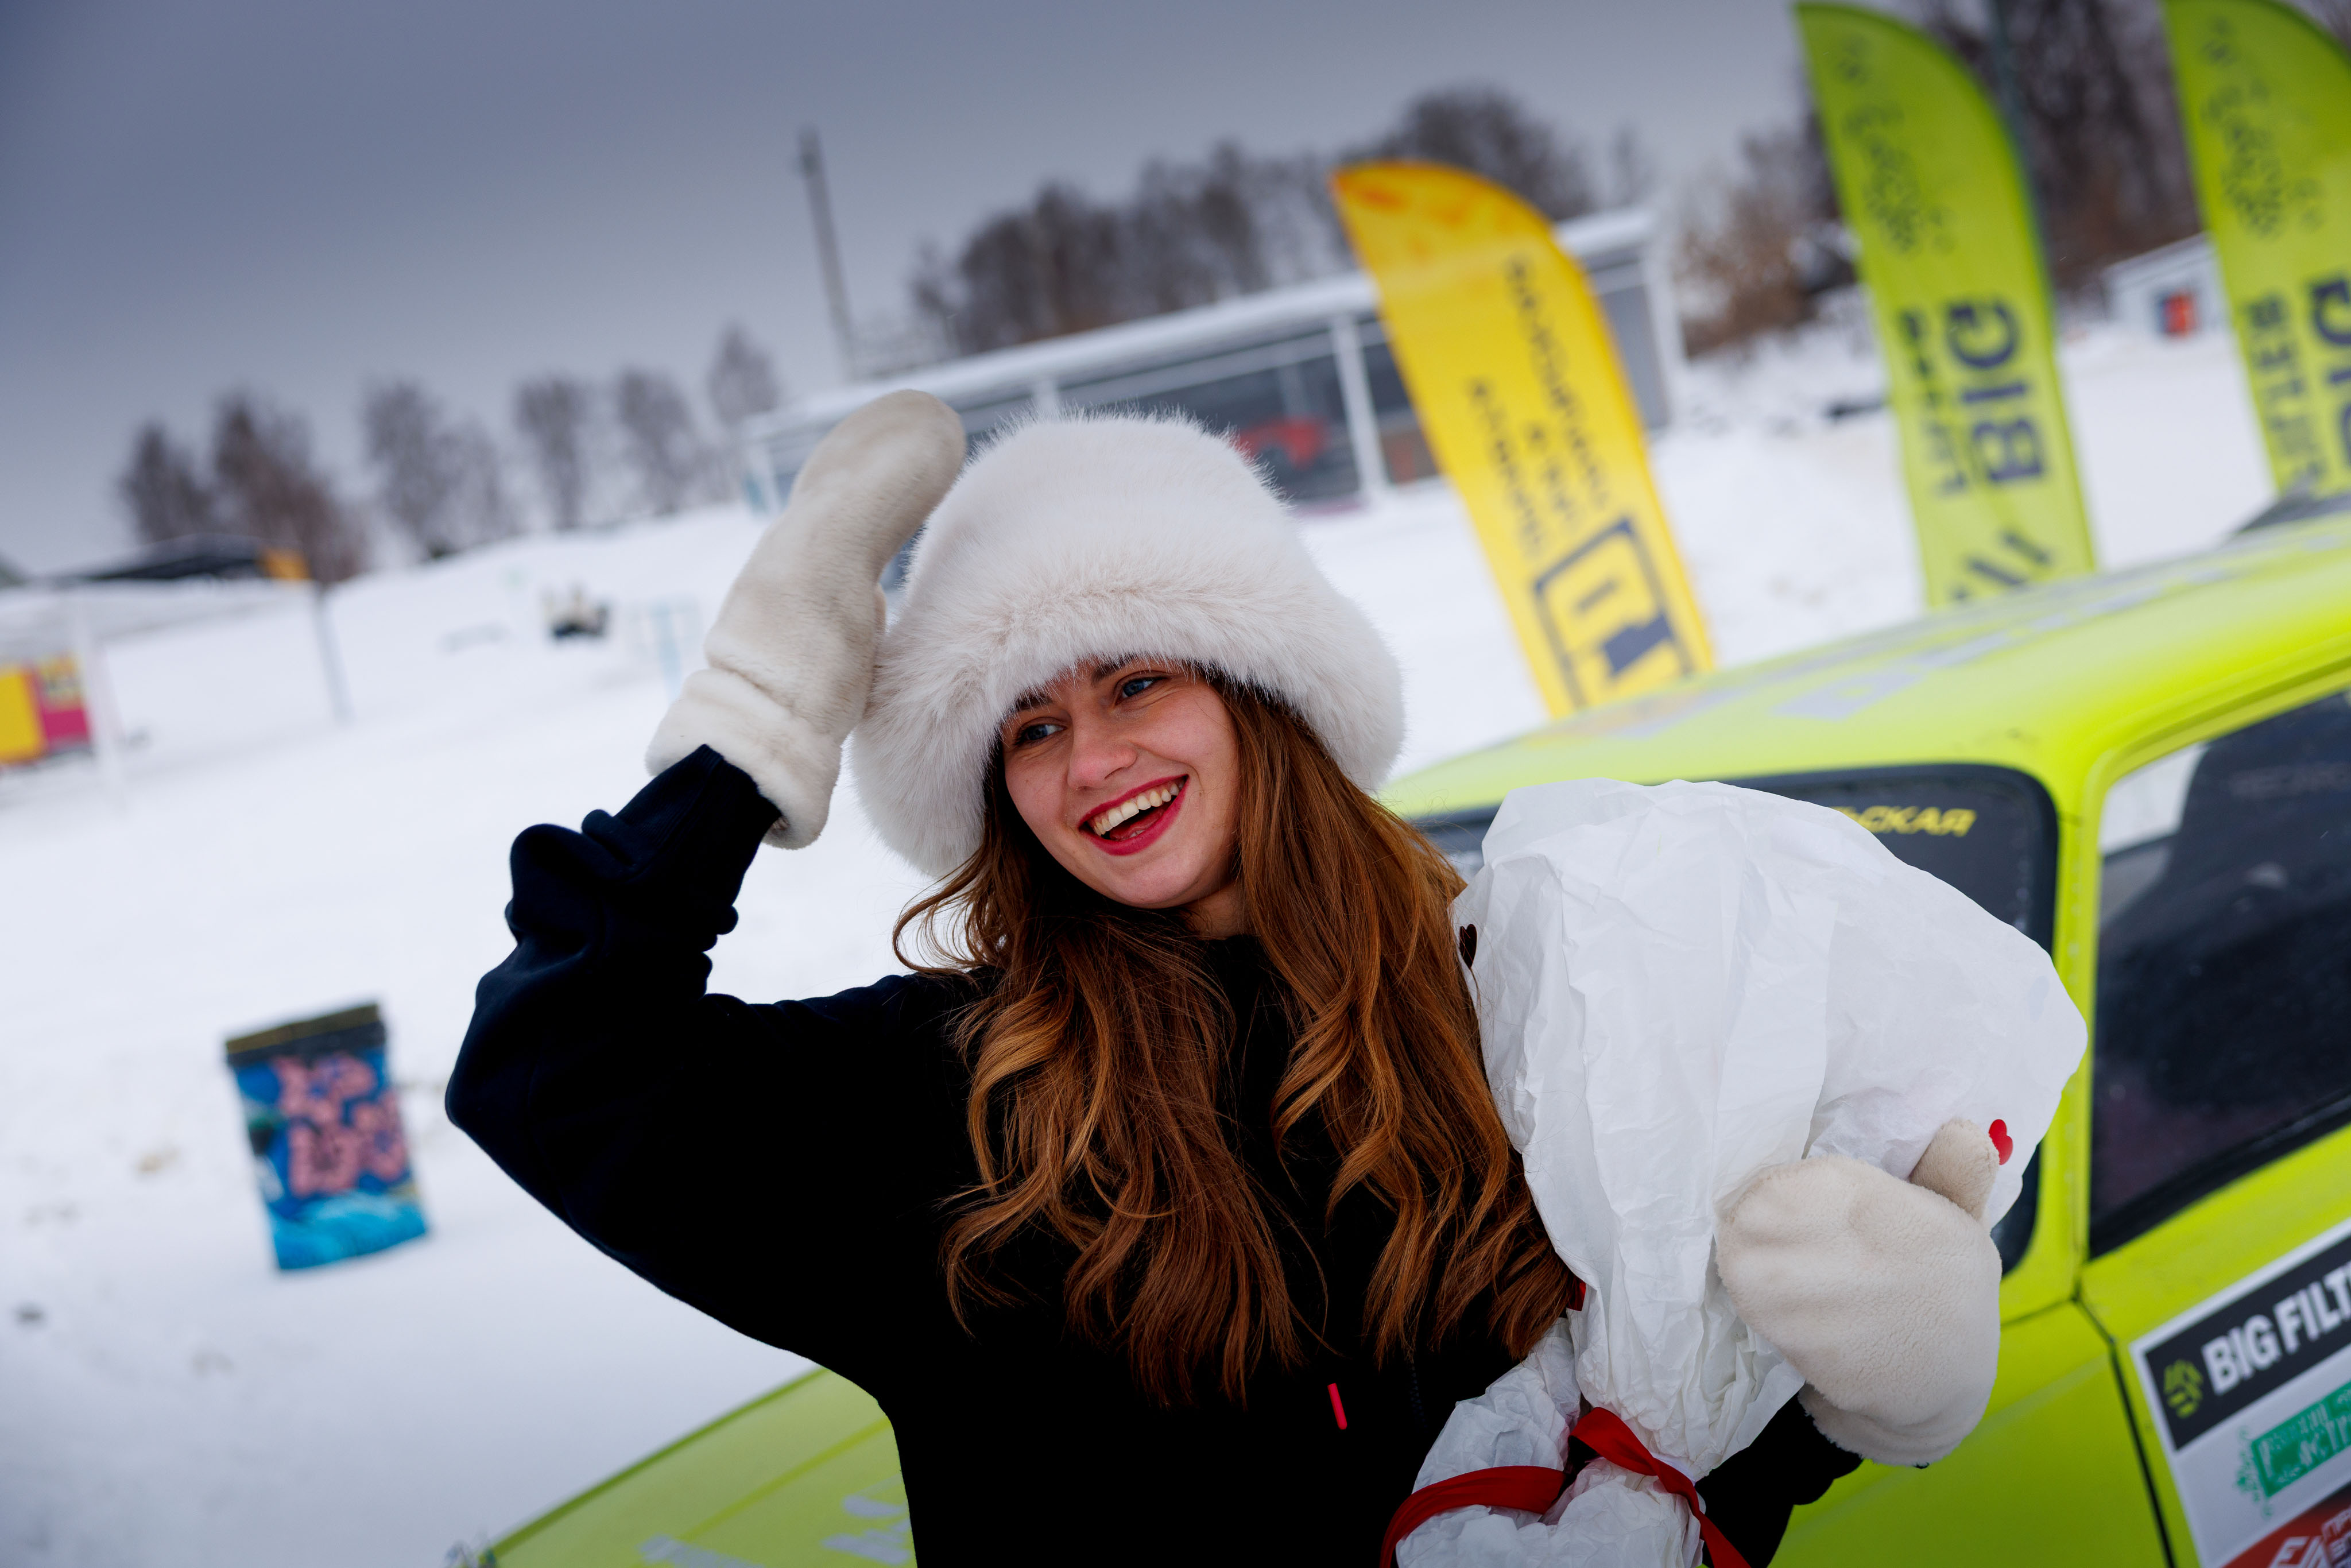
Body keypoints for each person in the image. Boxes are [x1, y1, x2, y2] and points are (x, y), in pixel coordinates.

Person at [449, 393, 2001, 1565]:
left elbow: (1657, 1439)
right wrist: (753, 724)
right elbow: (554, 1070)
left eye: (1138, 679)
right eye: (1031, 724)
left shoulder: (1520, 1006)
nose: (1093, 759)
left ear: (1262, 693)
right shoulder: (958, 1106)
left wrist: (1865, 1393)